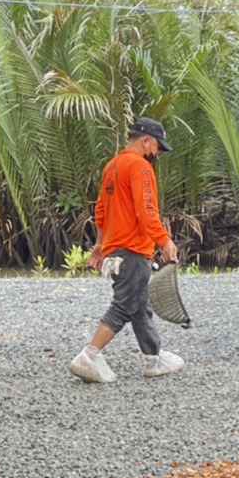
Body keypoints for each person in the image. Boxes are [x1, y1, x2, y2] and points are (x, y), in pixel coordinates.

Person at [69, 117, 182, 384]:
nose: (157, 154)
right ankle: (90, 354)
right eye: (156, 147)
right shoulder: (141, 168)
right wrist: (165, 241)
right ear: (146, 141)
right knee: (125, 305)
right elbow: (147, 211)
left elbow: (101, 210)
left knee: (139, 305)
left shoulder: (112, 167)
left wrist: (99, 246)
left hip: (114, 248)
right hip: (132, 249)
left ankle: (153, 357)